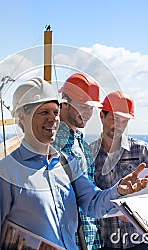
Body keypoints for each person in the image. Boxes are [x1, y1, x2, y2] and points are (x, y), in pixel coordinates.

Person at [0, 77, 148, 250]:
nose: (53, 118)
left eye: (55, 112)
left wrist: (118, 190)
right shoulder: (3, 174)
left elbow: (93, 202)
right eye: (43, 112)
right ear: (22, 117)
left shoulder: (67, 164)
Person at [89, 91, 148, 250]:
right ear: (102, 116)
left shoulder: (140, 150)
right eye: (114, 119)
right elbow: (87, 199)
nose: (119, 126)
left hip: (140, 241)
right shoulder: (89, 155)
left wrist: (136, 210)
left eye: (124, 121)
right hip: (105, 243)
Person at [52, 73, 104, 250]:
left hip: (88, 235)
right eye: (83, 107)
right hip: (71, 238)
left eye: (91, 108)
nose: (88, 114)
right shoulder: (56, 141)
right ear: (64, 103)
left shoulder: (78, 139)